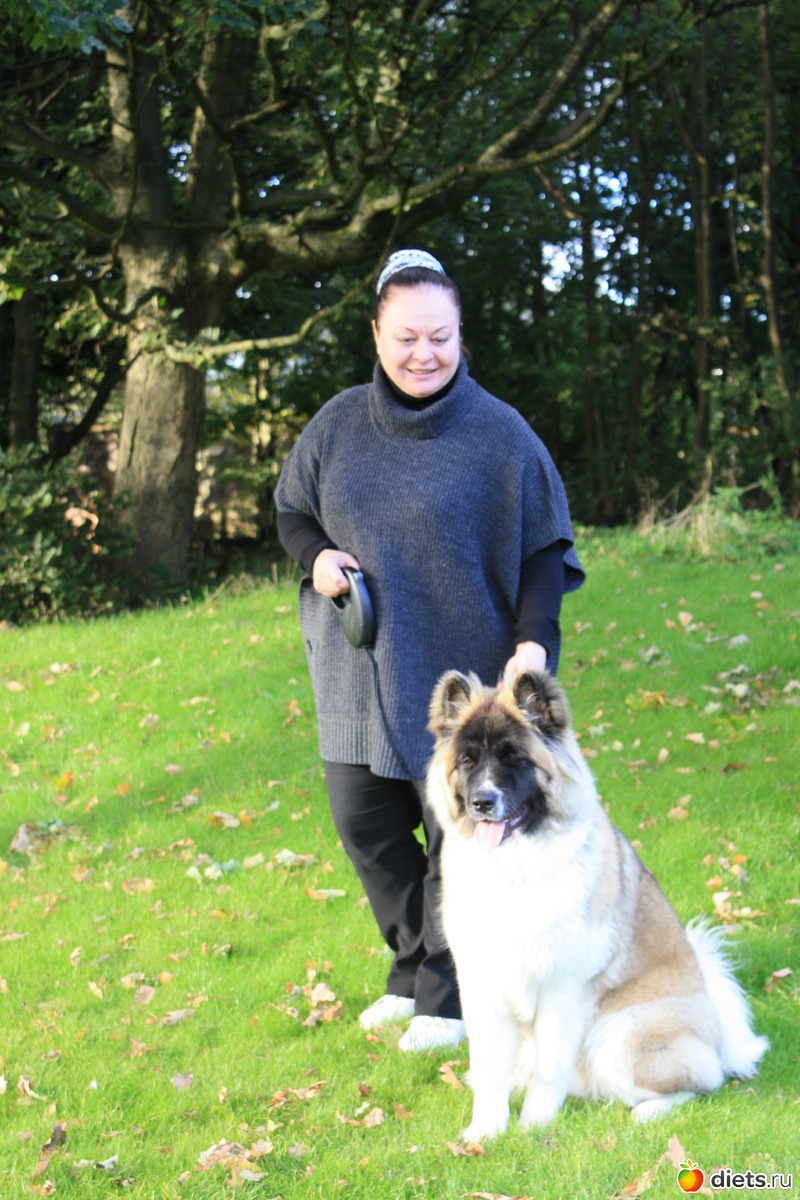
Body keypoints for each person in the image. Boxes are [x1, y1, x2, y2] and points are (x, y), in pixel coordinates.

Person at [275, 248, 585, 1051]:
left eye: (440, 337)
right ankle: (410, 966)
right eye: (407, 337)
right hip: (355, 670)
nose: (424, 354)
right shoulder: (336, 424)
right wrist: (315, 556)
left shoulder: (501, 434)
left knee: (458, 838)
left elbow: (544, 550)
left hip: (463, 685)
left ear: (460, 335)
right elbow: (292, 510)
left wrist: (532, 645)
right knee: (367, 829)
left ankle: (446, 1000)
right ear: (377, 335)